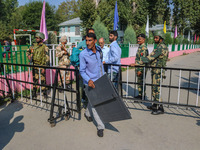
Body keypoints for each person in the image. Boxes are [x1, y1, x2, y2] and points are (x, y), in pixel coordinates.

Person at [79, 33, 105, 137]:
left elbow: (100, 66)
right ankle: (100, 126)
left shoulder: (99, 50)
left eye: (90, 40)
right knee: (96, 104)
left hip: (100, 80)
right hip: (90, 83)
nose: (88, 43)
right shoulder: (83, 54)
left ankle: (87, 114)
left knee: (92, 101)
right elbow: (82, 71)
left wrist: (105, 78)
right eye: (86, 40)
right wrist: (89, 80)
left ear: (95, 40)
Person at [141, 30, 169, 115]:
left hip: (157, 71)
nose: (154, 39)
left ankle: (160, 108)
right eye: (155, 37)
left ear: (161, 39)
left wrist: (141, 60)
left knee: (156, 89)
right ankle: (155, 104)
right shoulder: (160, 46)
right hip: (156, 70)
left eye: (156, 37)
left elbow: (150, 57)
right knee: (154, 88)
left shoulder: (160, 47)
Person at [26, 32, 50, 98]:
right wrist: (28, 56)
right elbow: (28, 51)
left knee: (43, 80)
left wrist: (44, 67)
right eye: (36, 38)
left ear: (41, 39)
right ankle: (34, 93)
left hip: (41, 65)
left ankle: (44, 93)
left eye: (37, 38)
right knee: (35, 80)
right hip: (34, 65)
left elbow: (47, 58)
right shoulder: (33, 46)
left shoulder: (44, 47)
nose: (36, 39)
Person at [130, 34, 149, 100]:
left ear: (144, 40)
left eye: (140, 39)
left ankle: (142, 95)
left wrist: (136, 66)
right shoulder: (140, 47)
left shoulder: (143, 48)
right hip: (139, 67)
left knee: (141, 82)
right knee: (139, 82)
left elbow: (143, 60)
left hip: (141, 68)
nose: (138, 40)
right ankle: (140, 94)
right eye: (138, 39)